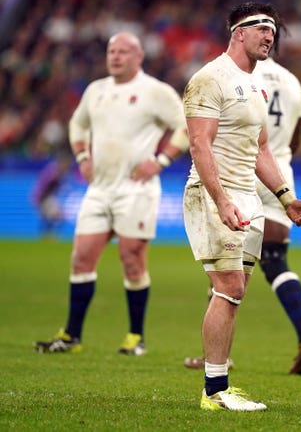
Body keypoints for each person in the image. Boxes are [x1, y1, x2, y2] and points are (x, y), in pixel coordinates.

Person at [182, 2, 301, 412]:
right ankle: (214, 391)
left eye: (273, 30)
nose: (269, 36)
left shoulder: (256, 85)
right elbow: (198, 144)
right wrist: (220, 199)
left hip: (248, 196)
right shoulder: (209, 79)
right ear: (237, 32)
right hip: (215, 193)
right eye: (261, 28)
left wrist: (285, 197)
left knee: (235, 292)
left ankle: (219, 385)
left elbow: (261, 149)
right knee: (230, 287)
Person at [34, 32, 190, 356]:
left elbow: (185, 127)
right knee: (80, 258)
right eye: (111, 51)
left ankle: (135, 337)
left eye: (123, 52)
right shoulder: (96, 90)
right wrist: (81, 157)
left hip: (136, 189)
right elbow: (77, 126)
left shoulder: (155, 92)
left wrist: (160, 161)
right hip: (99, 189)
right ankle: (71, 336)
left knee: (131, 258)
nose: (115, 56)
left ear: (139, 56)